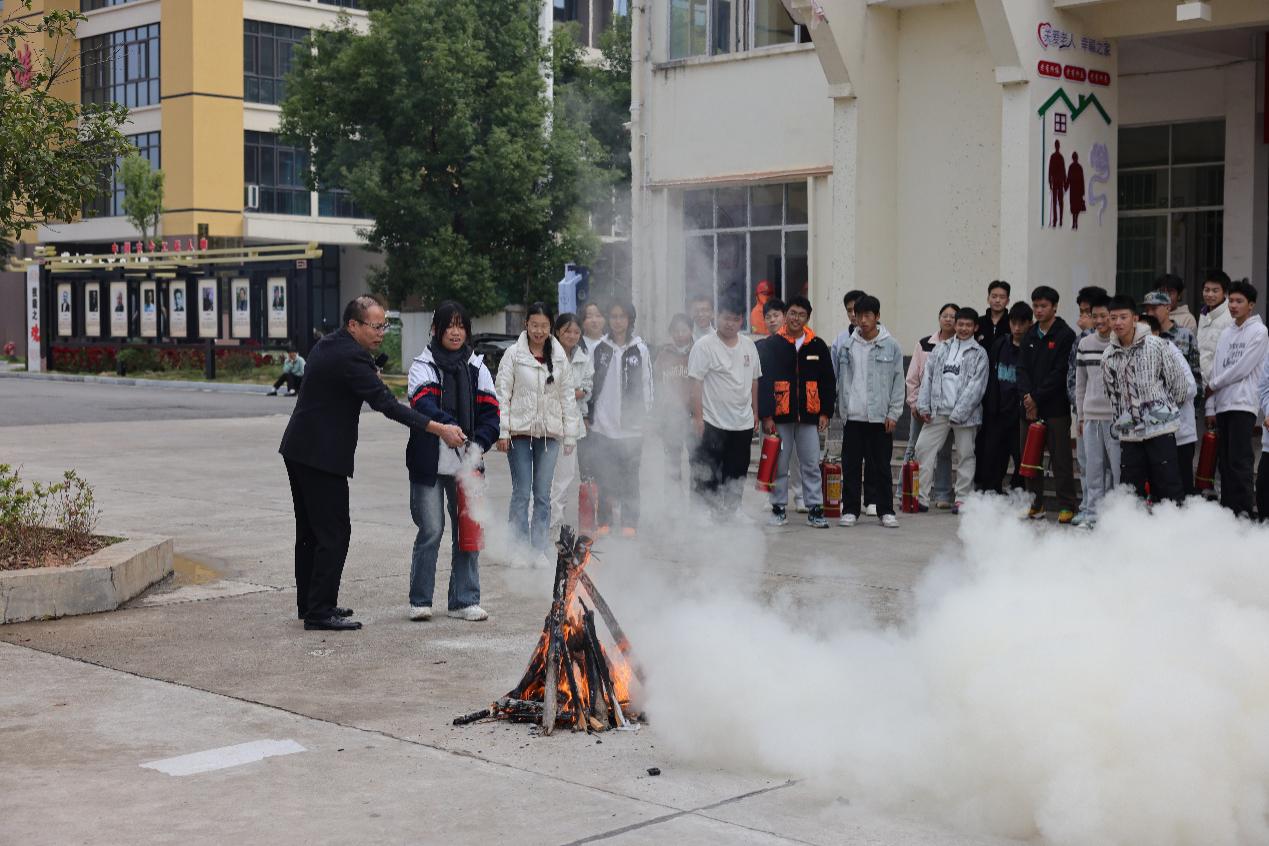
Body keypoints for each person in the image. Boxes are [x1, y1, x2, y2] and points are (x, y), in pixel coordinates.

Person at [279, 295, 466, 631]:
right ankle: (320, 611)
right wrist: (439, 428)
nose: (382, 332)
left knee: (310, 531)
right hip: (321, 456)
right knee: (334, 532)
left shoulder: (328, 345)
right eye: (376, 326)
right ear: (354, 325)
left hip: (299, 449)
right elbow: (387, 405)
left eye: (385, 325)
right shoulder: (352, 358)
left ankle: (311, 603)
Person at [405, 302, 500, 622]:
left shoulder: (477, 367)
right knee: (431, 530)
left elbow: (491, 414)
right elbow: (423, 404)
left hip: (467, 464)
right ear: (436, 330)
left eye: (461, 326)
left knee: (468, 532)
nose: (456, 332)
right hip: (429, 462)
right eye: (449, 326)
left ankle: (464, 600)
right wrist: (450, 428)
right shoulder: (423, 364)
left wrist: (480, 443)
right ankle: (420, 600)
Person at [495, 302, 580, 564]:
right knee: (522, 492)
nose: (539, 331)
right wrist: (502, 431)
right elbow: (502, 394)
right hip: (519, 433)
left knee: (543, 494)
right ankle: (518, 548)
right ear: (526, 325)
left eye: (544, 326)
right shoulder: (513, 354)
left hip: (549, 435)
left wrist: (570, 434)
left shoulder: (558, 356)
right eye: (534, 325)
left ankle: (539, 548)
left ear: (550, 327)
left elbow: (567, 396)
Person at [1101, 294, 1190, 505]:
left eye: (1123, 317)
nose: (1118, 323)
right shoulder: (1108, 355)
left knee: (1168, 485)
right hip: (1130, 433)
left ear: (1135, 318)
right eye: (1113, 318)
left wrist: (1162, 411)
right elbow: (1112, 395)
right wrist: (1125, 417)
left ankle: (1174, 531)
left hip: (1161, 428)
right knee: (1130, 490)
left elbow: (1178, 385)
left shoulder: (1156, 345)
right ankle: (1135, 534)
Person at [758, 295, 835, 529]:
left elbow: (828, 381)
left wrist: (825, 412)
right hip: (780, 416)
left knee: (811, 462)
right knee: (780, 464)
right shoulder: (772, 345)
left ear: (807, 318)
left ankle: (815, 509)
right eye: (792, 313)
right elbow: (763, 381)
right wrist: (767, 415)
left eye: (801, 315)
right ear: (786, 314)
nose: (796, 318)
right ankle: (778, 508)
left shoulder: (817, 345)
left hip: (809, 416)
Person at [688, 293, 762, 521]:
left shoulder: (749, 345)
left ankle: (733, 509)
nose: (730, 323)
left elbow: (754, 380)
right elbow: (695, 382)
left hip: (742, 421)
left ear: (742, 321)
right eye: (726, 318)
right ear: (717, 317)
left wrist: (755, 412)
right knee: (707, 468)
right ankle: (704, 512)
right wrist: (698, 417)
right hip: (712, 420)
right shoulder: (704, 346)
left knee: (737, 468)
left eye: (736, 319)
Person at [834, 295, 904, 528]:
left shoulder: (890, 345)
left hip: (879, 417)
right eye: (857, 315)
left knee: (881, 466)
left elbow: (898, 382)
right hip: (853, 415)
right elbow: (840, 380)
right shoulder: (847, 345)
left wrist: (893, 413)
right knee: (851, 465)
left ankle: (886, 510)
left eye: (867, 315)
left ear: (877, 317)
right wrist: (841, 409)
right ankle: (851, 509)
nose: (861, 320)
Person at [913, 307, 988, 514]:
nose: (963, 328)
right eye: (960, 324)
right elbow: (927, 377)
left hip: (966, 416)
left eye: (968, 325)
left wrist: (959, 413)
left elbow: (977, 387)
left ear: (975, 327)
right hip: (938, 411)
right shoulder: (942, 348)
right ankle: (921, 497)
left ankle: (962, 498)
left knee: (965, 455)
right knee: (923, 449)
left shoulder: (979, 354)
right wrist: (924, 405)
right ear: (955, 325)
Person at [589, 301, 653, 537]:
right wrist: (590, 413)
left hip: (632, 426)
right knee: (605, 474)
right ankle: (605, 520)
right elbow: (590, 383)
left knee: (630, 476)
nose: (618, 321)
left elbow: (647, 384)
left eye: (622, 317)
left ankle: (630, 521)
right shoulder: (600, 348)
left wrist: (646, 416)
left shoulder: (640, 349)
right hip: (603, 424)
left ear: (630, 320)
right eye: (614, 316)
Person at [1204, 280, 1268, 518]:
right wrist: (1211, 405)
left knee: (1240, 461)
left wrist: (1213, 385)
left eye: (1239, 301)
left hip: (1243, 404)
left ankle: (1242, 512)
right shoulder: (1226, 332)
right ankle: (1228, 512)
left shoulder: (1259, 332)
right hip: (1223, 404)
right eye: (1231, 300)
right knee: (1224, 462)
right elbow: (1217, 367)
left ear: (1250, 305)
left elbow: (1242, 368)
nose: (1233, 305)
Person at [1017, 285, 1078, 522]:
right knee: (1029, 458)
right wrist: (1027, 398)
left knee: (1061, 458)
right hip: (1029, 408)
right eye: (1036, 306)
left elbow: (1060, 372)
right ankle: (1036, 504)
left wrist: (1036, 397)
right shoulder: (1030, 334)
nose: (1039, 310)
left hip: (1054, 408)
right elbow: (1021, 369)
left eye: (1044, 306)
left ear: (1054, 307)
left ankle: (1067, 505)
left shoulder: (1065, 335)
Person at [975, 302, 1033, 493]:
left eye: (1021, 324)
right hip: (997, 412)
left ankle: (1019, 493)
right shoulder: (1000, 344)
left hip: (1020, 415)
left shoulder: (1031, 346)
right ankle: (992, 492)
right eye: (1013, 323)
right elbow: (990, 376)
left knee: (1021, 458)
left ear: (1029, 324)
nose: (1017, 328)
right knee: (993, 456)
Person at [904, 304, 957, 510]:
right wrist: (915, 403)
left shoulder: (958, 346)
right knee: (914, 447)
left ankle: (943, 494)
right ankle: (906, 491)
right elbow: (913, 377)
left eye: (953, 316)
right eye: (945, 315)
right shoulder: (925, 343)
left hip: (944, 408)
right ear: (939, 318)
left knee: (944, 452)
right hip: (920, 407)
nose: (948, 320)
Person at [1072, 293, 1117, 526]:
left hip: (1117, 419)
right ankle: (1092, 515)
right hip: (1090, 417)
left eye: (1104, 316)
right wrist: (1081, 416)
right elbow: (1080, 384)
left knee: (1117, 472)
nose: (1099, 321)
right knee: (1093, 469)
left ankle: (1117, 517)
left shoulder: (1120, 342)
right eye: (1095, 316)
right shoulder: (1085, 343)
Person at [549, 312, 594, 533]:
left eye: (576, 331)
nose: (572, 335)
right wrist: (571, 392)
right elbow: (548, 388)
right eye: (567, 330)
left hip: (572, 425)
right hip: (548, 423)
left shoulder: (583, 358)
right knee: (544, 477)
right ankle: (539, 522)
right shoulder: (548, 355)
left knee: (565, 477)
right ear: (558, 331)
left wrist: (572, 393)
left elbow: (586, 389)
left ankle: (556, 523)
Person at [1067, 285, 1108, 520]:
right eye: (1083, 312)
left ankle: (1107, 510)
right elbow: (1073, 376)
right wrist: (1079, 408)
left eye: (1088, 312)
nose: (1084, 318)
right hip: (1085, 411)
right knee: (1086, 463)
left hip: (1109, 415)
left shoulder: (1115, 340)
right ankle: (1088, 508)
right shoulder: (1081, 340)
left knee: (1109, 467)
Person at [1149, 316, 1199, 497]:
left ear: (1156, 333)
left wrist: (1161, 409)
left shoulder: (1170, 350)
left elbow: (1190, 387)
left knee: (1181, 486)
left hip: (1180, 432)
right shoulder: (1139, 354)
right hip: (1156, 433)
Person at [654, 313, 693, 486]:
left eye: (683, 330)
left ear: (691, 331)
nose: (680, 334)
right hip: (670, 415)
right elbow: (656, 383)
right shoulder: (664, 354)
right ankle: (673, 503)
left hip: (693, 413)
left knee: (697, 460)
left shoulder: (698, 351)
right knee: (672, 460)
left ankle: (697, 503)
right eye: (676, 331)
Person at [1197, 270, 1232, 384]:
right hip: (1201, 380)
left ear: (1225, 293)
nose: (1210, 295)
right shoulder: (1203, 314)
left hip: (1218, 383)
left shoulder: (1230, 316)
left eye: (1215, 291)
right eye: (1206, 290)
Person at [830, 289, 867, 365]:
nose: (853, 314)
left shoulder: (882, 339)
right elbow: (834, 373)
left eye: (856, 309)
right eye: (849, 310)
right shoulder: (839, 341)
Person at [976, 280, 1011, 348]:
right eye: (994, 296)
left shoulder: (1012, 323)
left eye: (1002, 297)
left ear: (1007, 301)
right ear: (988, 299)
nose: (997, 300)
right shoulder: (978, 322)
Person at [1067, 151, 1086, 230]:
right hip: (1076, 190)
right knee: (1075, 206)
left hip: (1075, 190)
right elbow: (1069, 178)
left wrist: (1066, 186)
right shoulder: (1077, 167)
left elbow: (1081, 180)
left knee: (1075, 206)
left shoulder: (1073, 167)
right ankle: (1075, 221)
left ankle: (1075, 221)